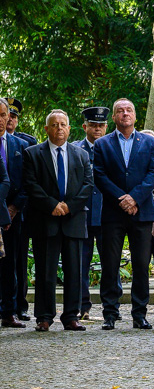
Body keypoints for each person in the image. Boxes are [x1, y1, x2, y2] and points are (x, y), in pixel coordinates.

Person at [24, 110, 93, 332]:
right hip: (46, 220)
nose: (59, 128)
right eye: (54, 125)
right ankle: (44, 316)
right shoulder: (32, 154)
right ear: (46, 129)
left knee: (74, 270)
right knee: (45, 270)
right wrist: (52, 205)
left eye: (63, 124)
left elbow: (88, 184)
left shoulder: (81, 154)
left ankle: (71, 316)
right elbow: (31, 184)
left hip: (73, 219)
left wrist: (68, 206)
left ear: (70, 128)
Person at [93, 99, 154, 330]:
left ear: (135, 115)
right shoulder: (102, 144)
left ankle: (139, 314)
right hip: (113, 212)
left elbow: (153, 173)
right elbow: (99, 175)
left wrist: (135, 198)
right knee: (110, 265)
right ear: (114, 117)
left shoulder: (149, 142)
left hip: (141, 212)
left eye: (128, 110)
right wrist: (122, 199)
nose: (125, 114)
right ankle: (110, 314)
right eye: (120, 111)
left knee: (141, 265)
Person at [73, 106, 122, 319]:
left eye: (101, 125)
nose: (97, 129)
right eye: (93, 125)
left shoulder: (113, 147)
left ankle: (112, 306)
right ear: (85, 126)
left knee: (111, 263)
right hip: (81, 214)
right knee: (79, 263)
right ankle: (82, 305)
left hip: (106, 214)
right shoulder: (75, 149)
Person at [6, 99, 37, 322]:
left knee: (18, 260)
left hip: (18, 212)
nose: (9, 120)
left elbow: (29, 181)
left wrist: (15, 206)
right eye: (7, 115)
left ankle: (19, 305)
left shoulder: (26, 143)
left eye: (13, 117)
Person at [0, 98, 30, 328]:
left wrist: (13, 208)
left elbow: (28, 182)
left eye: (5, 115)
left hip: (12, 216)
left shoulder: (20, 145)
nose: (3, 120)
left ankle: (9, 312)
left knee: (11, 264)